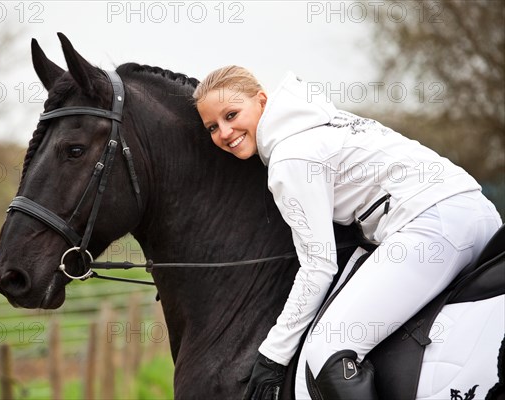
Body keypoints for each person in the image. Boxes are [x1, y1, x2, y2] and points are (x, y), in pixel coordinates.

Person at [192, 65, 503, 399]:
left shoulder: (290, 157)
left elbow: (318, 266)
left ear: (262, 100)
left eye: (231, 114)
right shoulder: (323, 122)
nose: (224, 132)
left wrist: (273, 355)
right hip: (476, 212)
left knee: (329, 348)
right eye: (212, 126)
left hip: (434, 226)